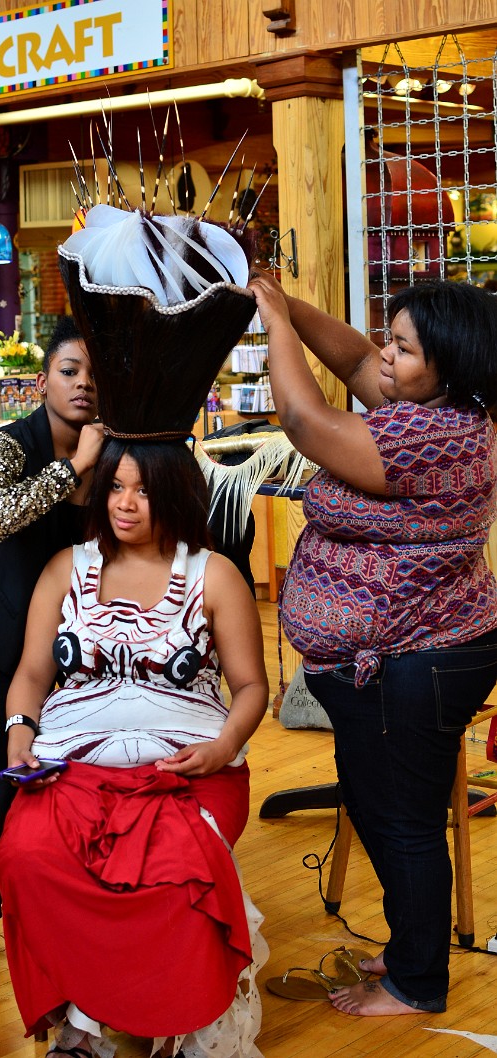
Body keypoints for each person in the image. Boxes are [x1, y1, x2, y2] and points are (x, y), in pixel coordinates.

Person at [248, 272, 497, 1016]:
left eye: (406, 347)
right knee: (380, 804)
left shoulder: (439, 434)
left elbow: (301, 414)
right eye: (394, 336)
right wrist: (286, 302)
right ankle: (407, 946)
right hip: (401, 660)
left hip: (417, 663)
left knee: (406, 824)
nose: (387, 355)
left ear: (448, 364)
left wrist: (271, 322)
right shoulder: (435, 403)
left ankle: (417, 985)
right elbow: (354, 358)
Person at [0, 436, 269, 1058]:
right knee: (25, 858)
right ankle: (85, 1019)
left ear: (175, 492)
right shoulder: (66, 567)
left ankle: (142, 1025)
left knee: (171, 879)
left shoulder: (213, 573)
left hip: (189, 771)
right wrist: (18, 734)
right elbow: (34, 672)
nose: (126, 503)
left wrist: (225, 747)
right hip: (72, 770)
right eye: (116, 486)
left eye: (144, 489)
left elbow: (252, 685)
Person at [0, 317, 103, 983]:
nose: (84, 386)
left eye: (95, 377)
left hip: (86, 642)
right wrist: (73, 467)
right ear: (43, 382)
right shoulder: (15, 443)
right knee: (3, 787)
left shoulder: (116, 448)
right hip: (10, 638)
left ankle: (69, 921)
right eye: (70, 373)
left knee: (80, 786)